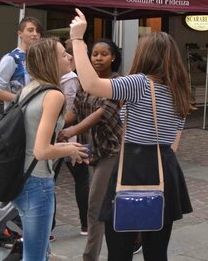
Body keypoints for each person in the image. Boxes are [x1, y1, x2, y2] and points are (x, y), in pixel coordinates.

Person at [69, 10, 192, 261]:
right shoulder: (180, 90)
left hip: (133, 167)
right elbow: (174, 140)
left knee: (120, 249)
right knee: (156, 252)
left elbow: (91, 84)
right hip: (165, 167)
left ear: (144, 56)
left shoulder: (139, 84)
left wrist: (78, 39)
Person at [15, 38, 89, 261]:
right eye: (63, 54)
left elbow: (33, 140)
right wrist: (67, 150)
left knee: (36, 249)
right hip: (37, 181)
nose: (68, 57)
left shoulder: (30, 88)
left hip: (20, 177)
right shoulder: (54, 95)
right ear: (50, 61)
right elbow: (41, 151)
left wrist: (67, 146)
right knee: (36, 255)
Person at [60, 39, 124, 260]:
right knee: (104, 204)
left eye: (103, 54)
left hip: (111, 151)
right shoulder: (85, 83)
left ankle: (89, 256)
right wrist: (56, 125)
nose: (97, 58)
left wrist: (71, 131)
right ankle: (130, 238)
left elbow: (102, 113)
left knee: (94, 206)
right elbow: (75, 111)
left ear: (113, 57)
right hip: (92, 151)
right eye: (94, 54)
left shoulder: (117, 82)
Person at [57, 40, 90, 238]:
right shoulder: (71, 78)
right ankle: (86, 224)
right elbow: (71, 110)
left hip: (59, 135)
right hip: (69, 137)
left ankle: (49, 227)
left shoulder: (55, 77)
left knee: (49, 181)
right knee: (82, 179)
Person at [0, 17, 43, 110]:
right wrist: (21, 99)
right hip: (17, 115)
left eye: (38, 31)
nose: (35, 34)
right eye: (30, 30)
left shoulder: (41, 58)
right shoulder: (11, 58)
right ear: (20, 34)